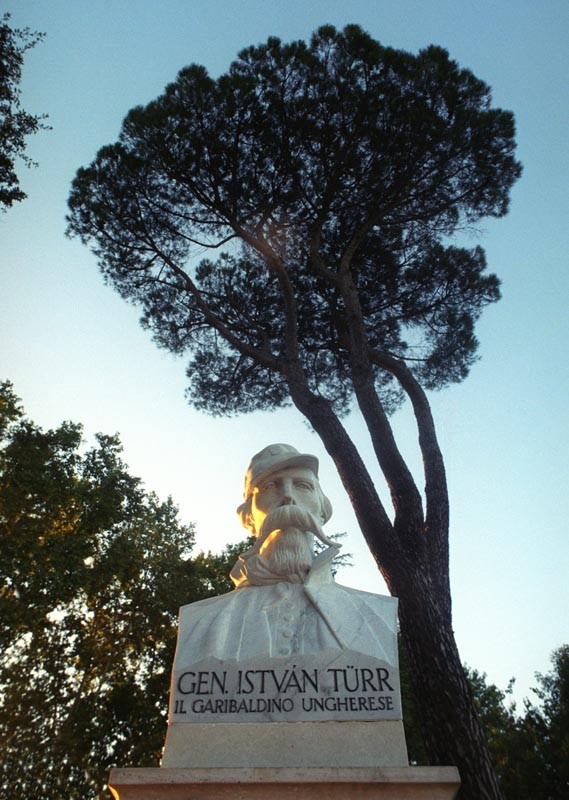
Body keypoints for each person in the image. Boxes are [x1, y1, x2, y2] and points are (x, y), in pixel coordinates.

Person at [172, 444, 398, 664]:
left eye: (303, 486)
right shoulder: (202, 620)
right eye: (269, 487)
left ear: (322, 513)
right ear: (249, 518)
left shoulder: (373, 615)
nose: (288, 497)